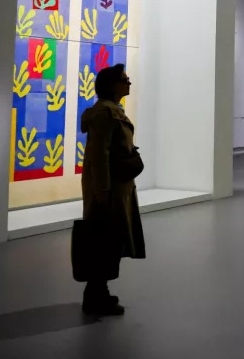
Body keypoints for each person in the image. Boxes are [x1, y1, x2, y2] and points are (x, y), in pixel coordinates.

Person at [79, 64, 145, 315]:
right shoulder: (105, 114)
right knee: (104, 241)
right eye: (124, 79)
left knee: (109, 240)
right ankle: (96, 295)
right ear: (112, 84)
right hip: (110, 191)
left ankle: (99, 292)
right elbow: (99, 155)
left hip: (117, 188)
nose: (129, 83)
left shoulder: (111, 111)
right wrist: (103, 191)